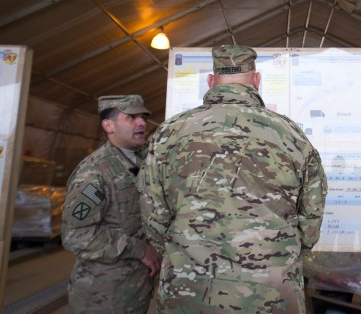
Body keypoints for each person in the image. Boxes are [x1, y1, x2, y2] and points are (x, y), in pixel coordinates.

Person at [137, 45, 328, 313]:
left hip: (190, 292)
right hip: (271, 294)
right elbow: (311, 217)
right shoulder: (291, 135)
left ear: (212, 81)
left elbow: (153, 216)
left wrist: (185, 247)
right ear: (256, 80)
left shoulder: (171, 132)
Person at [61, 95, 161, 313]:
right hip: (103, 295)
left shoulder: (143, 161)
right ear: (108, 125)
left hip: (135, 288)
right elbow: (76, 235)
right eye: (131, 117)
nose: (142, 122)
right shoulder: (95, 173)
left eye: (142, 117)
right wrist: (140, 250)